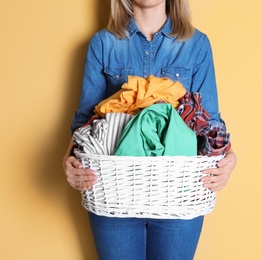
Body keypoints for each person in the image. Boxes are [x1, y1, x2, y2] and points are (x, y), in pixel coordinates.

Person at [63, 0, 237, 259]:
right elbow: (86, 124)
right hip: (114, 192)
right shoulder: (103, 43)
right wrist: (68, 160)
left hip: (179, 191)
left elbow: (209, 123)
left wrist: (230, 157)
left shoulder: (196, 44)